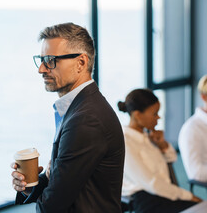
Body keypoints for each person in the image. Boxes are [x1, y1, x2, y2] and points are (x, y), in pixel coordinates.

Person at [11, 23, 125, 212]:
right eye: (41, 59)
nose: (41, 69)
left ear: (81, 63)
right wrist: (29, 186)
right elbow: (67, 184)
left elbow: (52, 206)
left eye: (50, 60)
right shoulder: (79, 108)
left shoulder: (86, 120)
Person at [118, 89, 201, 213]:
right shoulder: (125, 142)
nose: (158, 117)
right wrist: (188, 196)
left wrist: (162, 145)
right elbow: (151, 183)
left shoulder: (148, 136)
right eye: (155, 114)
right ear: (137, 115)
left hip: (164, 193)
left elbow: (172, 158)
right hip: (147, 200)